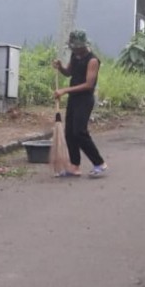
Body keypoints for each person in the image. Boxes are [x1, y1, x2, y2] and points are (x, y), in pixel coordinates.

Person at [52, 29, 108, 178]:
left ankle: (99, 163)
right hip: (74, 98)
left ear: (83, 45)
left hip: (85, 99)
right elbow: (69, 72)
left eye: (76, 47)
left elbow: (89, 84)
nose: (74, 49)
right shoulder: (75, 56)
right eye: (73, 47)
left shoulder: (92, 60)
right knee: (69, 132)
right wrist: (60, 67)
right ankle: (74, 166)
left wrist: (65, 90)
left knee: (79, 132)